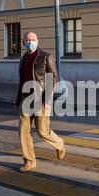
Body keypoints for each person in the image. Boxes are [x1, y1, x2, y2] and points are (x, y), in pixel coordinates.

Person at [16, 32, 66, 172]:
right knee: (23, 131)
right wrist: (18, 99)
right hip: (25, 99)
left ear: (38, 41)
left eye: (33, 39)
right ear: (23, 43)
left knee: (42, 131)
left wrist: (48, 99)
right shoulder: (23, 59)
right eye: (28, 40)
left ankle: (59, 143)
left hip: (41, 99)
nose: (30, 42)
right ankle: (29, 161)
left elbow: (54, 77)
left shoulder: (46, 57)